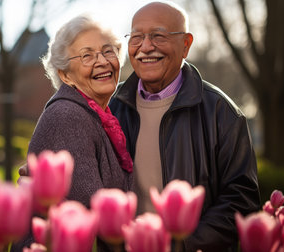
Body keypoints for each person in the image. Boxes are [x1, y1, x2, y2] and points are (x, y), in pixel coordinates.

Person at [109, 1, 261, 251]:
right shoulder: (112, 109)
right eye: (136, 37)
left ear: (186, 45)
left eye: (158, 36)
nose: (145, 47)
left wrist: (182, 244)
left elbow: (242, 199)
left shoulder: (222, 113)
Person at [13, 15, 134, 251]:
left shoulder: (97, 115)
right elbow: (88, 209)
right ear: (65, 75)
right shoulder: (68, 116)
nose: (102, 62)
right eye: (87, 55)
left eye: (108, 51)